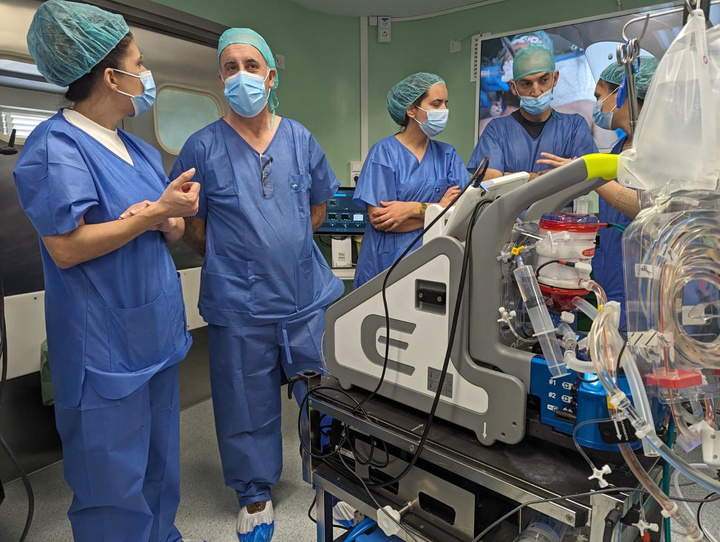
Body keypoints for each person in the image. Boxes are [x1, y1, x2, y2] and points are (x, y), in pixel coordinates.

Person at [13, 1, 202, 541]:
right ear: (108, 74)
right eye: (139, 65)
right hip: (104, 350)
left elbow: (157, 224)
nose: (146, 76)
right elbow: (67, 248)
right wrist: (154, 215)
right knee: (110, 484)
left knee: (160, 467)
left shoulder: (137, 149)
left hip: (156, 336)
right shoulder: (56, 148)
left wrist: (167, 217)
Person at [172, 28, 344, 542]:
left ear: (271, 76)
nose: (241, 76)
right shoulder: (201, 146)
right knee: (244, 402)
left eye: (251, 65)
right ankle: (254, 494)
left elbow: (316, 207)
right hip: (238, 304)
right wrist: (241, 259)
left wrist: (283, 246)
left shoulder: (299, 138)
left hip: (304, 296)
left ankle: (338, 480)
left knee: (326, 394)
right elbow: (194, 226)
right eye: (230, 67)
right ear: (220, 78)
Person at [539, 57, 660, 328]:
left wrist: (587, 173)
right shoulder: (621, 148)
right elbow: (614, 215)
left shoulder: (659, 148)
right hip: (613, 285)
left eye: (599, 96)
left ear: (624, 93)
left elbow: (651, 209)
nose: (597, 105)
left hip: (647, 289)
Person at [353, 72, 469, 288]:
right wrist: (439, 208)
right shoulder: (384, 154)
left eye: (445, 103)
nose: (443, 110)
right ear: (411, 109)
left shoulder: (447, 155)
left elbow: (461, 214)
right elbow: (381, 219)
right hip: (387, 265)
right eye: (435, 104)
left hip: (434, 259)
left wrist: (412, 210)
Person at [468, 44, 597, 180]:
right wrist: (556, 177)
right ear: (513, 87)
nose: (536, 92)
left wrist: (510, 177)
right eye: (526, 84)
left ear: (555, 78)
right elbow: (490, 180)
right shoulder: (496, 130)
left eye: (544, 80)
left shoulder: (574, 125)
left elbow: (589, 177)